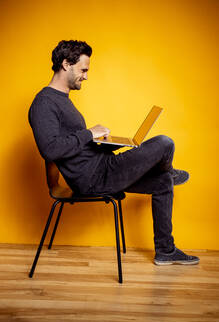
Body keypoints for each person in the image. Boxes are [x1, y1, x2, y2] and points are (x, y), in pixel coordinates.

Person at [28, 40, 199, 265]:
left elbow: (74, 146)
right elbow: (50, 149)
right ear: (65, 64)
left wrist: (106, 144)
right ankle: (167, 168)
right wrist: (89, 133)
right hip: (94, 179)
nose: (86, 76)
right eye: (83, 70)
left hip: (104, 168)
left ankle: (165, 250)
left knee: (162, 182)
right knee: (165, 143)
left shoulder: (63, 100)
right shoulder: (43, 103)